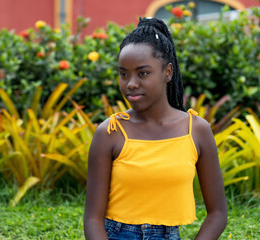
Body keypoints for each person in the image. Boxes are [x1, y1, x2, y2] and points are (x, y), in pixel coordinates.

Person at [84, 17, 227, 240]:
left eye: (142, 73)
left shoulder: (196, 130)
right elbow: (93, 219)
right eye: (124, 74)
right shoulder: (110, 132)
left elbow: (218, 214)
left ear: (167, 72)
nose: (130, 83)